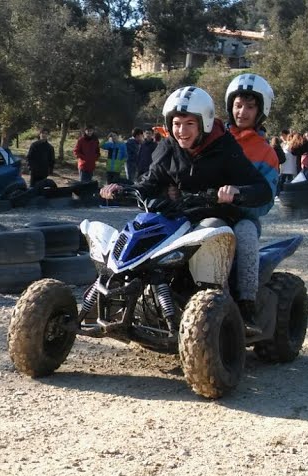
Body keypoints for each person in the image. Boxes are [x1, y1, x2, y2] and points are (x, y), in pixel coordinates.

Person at [99, 86, 272, 335]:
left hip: (220, 216)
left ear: (205, 123)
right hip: (180, 215)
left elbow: (262, 189)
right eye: (177, 124)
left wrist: (236, 192)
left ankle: (245, 308)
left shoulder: (225, 147)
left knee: (242, 231)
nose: (182, 131)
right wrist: (123, 189)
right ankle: (126, 297)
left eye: (190, 123)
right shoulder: (168, 147)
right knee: (143, 228)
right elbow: (149, 181)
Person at [224, 72, 280, 219]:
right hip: (204, 214)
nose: (242, 112)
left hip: (241, 220)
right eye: (238, 105)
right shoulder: (213, 139)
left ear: (260, 111)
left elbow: (266, 202)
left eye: (250, 107)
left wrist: (238, 199)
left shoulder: (266, 153)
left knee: (246, 229)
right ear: (230, 107)